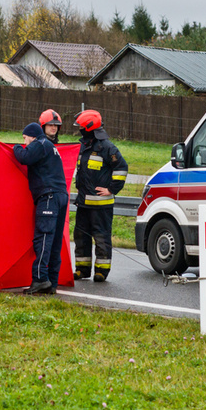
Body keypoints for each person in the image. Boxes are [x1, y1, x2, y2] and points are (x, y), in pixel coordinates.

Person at [13, 122, 69, 295]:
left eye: (25, 139)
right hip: (60, 196)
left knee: (43, 238)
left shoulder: (40, 143)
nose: (25, 143)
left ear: (32, 135)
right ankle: (52, 281)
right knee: (54, 241)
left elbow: (24, 157)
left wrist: (15, 147)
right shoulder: (51, 146)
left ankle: (39, 278)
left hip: (49, 196)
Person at [72, 109, 128, 282]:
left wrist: (111, 189)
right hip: (83, 203)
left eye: (81, 127)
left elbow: (122, 168)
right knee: (81, 237)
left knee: (101, 238)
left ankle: (101, 271)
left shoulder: (107, 148)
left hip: (101, 205)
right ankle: (82, 269)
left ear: (90, 128)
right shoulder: (83, 146)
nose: (79, 130)